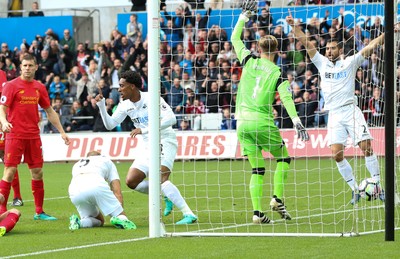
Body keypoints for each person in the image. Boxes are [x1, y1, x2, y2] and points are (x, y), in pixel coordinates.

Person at [286, 10, 385, 204]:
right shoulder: (322, 63)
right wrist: (293, 26)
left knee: (366, 147)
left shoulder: (350, 62)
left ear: (340, 50)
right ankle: (355, 189)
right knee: (336, 154)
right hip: (334, 115)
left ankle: (378, 186)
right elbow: (306, 43)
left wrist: (388, 34)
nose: (328, 51)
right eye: (327, 49)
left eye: (332, 48)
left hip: (350, 110)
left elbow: (370, 47)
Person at [231, 0, 309, 224]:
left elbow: (235, 38)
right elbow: (286, 97)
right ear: (277, 50)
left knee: (257, 169)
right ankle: (277, 199)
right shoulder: (278, 72)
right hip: (262, 122)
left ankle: (257, 213)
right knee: (283, 158)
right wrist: (296, 121)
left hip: (242, 124)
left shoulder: (247, 60)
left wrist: (243, 17)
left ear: (259, 47)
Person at [95, 70, 197, 224]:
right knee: (131, 181)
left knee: (161, 179)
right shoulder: (124, 105)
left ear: (132, 87)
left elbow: (171, 119)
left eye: (122, 86)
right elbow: (110, 125)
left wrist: (145, 129)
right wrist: (102, 106)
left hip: (165, 139)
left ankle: (188, 214)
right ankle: (164, 195)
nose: (119, 90)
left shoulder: (152, 98)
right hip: (147, 145)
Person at [0, 54, 70, 220]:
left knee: (37, 172)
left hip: (33, 136)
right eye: (24, 65)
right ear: (20, 67)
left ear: (36, 67)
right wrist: (3, 121)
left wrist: (62, 131)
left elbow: (50, 111)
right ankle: (2, 210)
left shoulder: (39, 87)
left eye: (30, 65)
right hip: (15, 135)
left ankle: (39, 212)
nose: (27, 69)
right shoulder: (11, 85)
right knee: (9, 171)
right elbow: (2, 108)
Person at [68, 151, 136, 230]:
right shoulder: (106, 160)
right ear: (100, 155)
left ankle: (79, 222)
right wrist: (119, 213)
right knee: (120, 216)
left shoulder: (77, 164)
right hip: (95, 183)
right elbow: (117, 191)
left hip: (74, 189)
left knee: (99, 221)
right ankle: (120, 219)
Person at [0, 70, 23, 207]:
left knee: (9, 161)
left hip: (3, 122)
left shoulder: (1, 74)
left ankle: (17, 196)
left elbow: (4, 97)